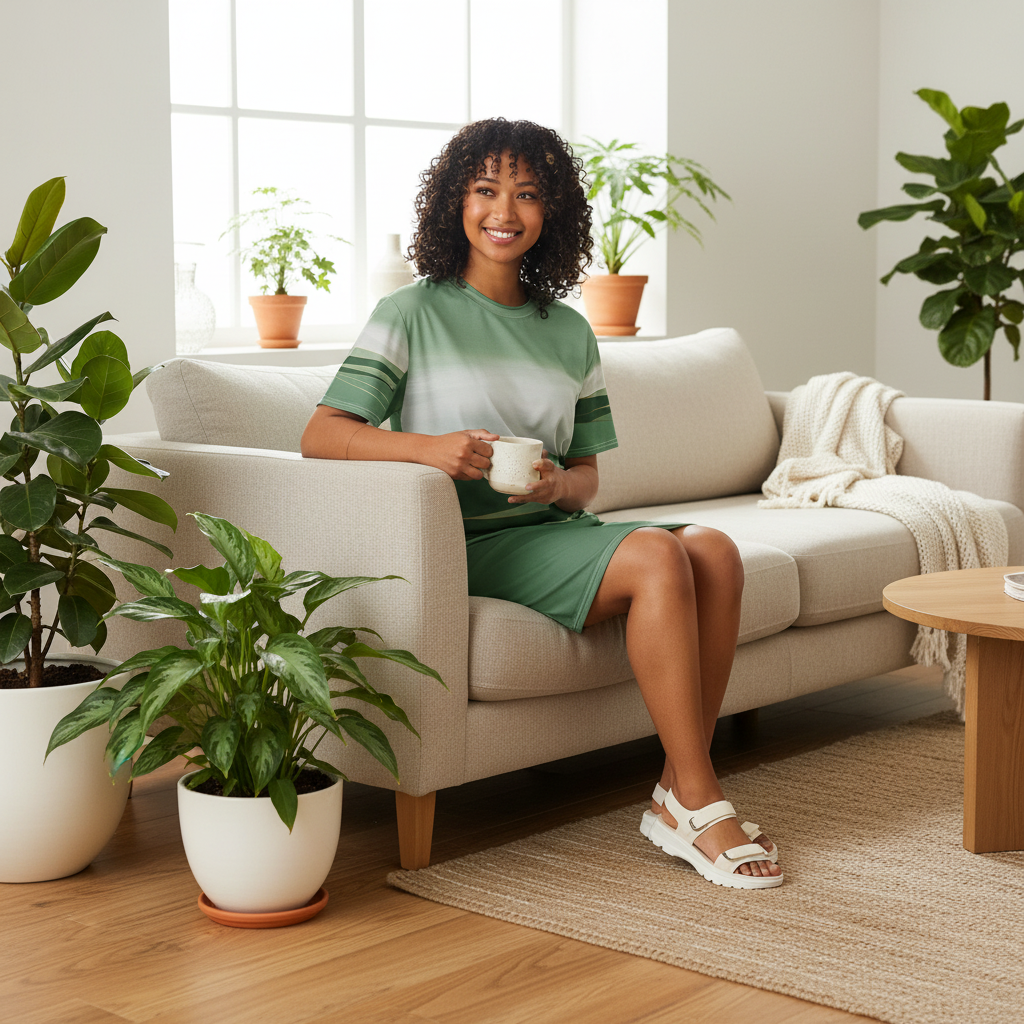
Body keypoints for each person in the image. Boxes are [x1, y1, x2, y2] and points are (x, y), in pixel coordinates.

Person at [302, 118, 782, 888]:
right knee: (660, 552)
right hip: (469, 542)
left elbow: (589, 475)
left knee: (717, 552)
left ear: (551, 212)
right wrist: (430, 448)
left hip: (552, 529)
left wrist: (561, 485)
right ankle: (700, 802)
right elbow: (322, 434)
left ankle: (676, 788)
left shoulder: (569, 331)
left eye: (527, 194)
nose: (505, 210)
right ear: (455, 201)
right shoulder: (411, 312)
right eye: (487, 189)